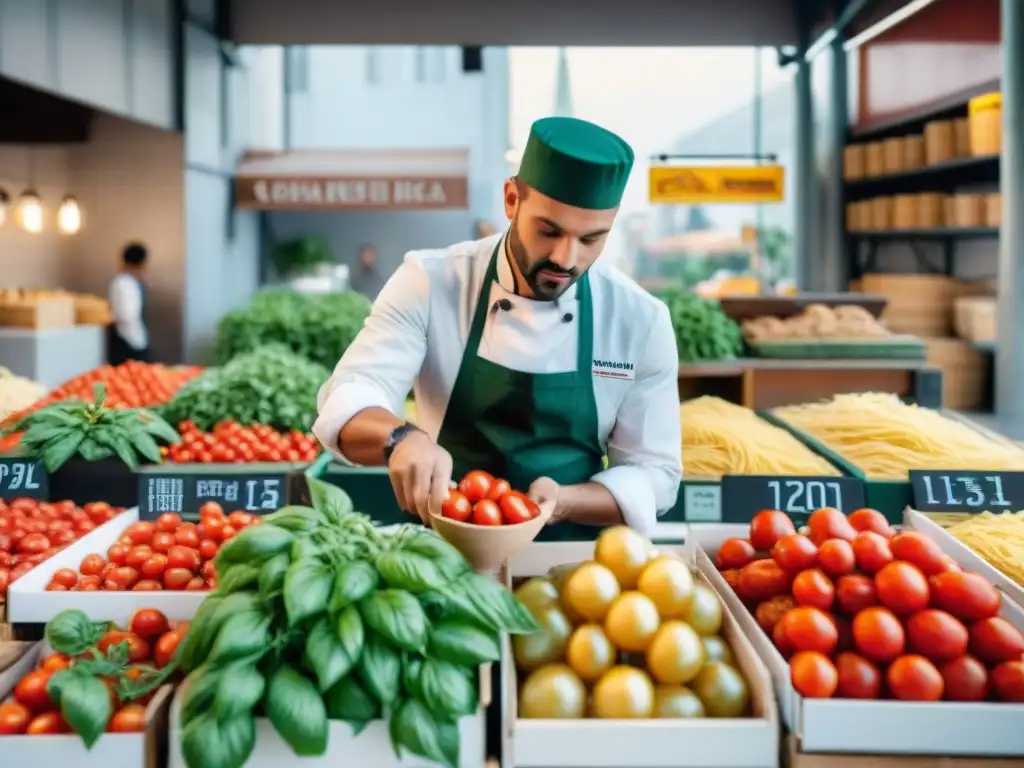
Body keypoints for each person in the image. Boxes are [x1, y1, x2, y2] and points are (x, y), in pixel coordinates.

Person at [314, 116, 682, 538]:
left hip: (575, 564)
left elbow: (655, 474)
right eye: (549, 230)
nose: (565, 258)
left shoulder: (639, 319)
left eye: (591, 239)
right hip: (445, 550)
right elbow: (352, 393)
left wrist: (564, 502)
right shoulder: (432, 282)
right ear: (511, 200)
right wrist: (400, 438)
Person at [107, 242, 150, 365]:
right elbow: (127, 315)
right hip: (128, 342)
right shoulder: (124, 283)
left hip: (131, 339)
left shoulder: (123, 282)